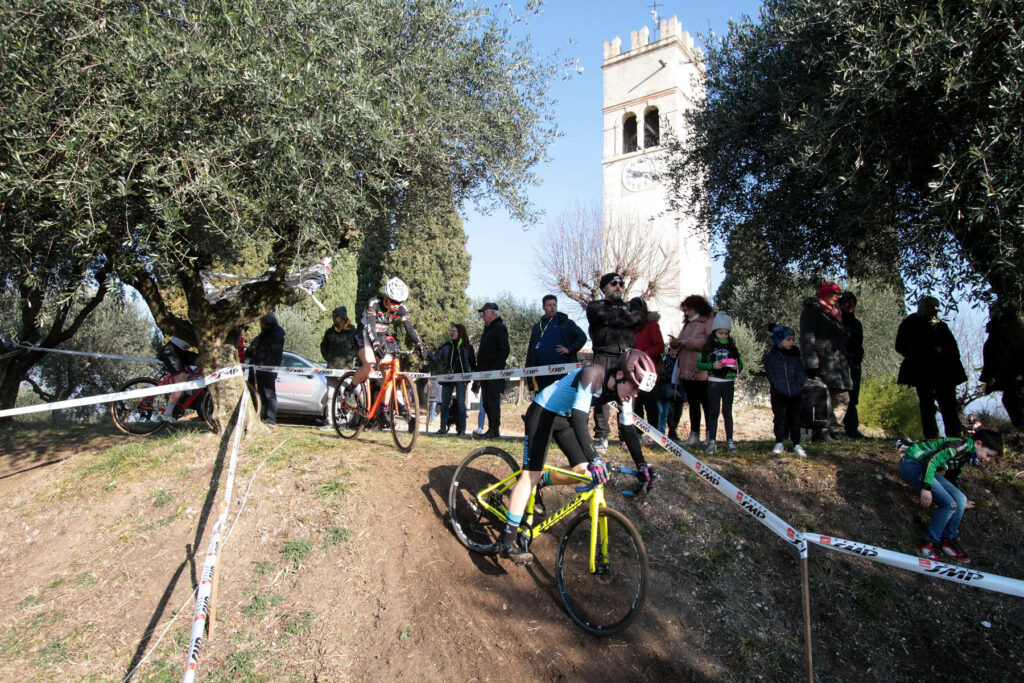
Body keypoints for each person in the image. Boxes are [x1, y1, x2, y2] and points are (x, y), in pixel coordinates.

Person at [497, 349, 659, 564]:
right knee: (529, 476)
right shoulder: (592, 374)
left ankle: (543, 483)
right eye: (635, 387)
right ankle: (507, 540)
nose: (636, 394)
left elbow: (628, 431)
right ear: (621, 375)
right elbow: (580, 420)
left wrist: (642, 466)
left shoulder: (624, 393)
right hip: (544, 412)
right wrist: (596, 459)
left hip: (564, 418)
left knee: (583, 472)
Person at [897, 429, 1003, 563]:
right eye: (988, 455)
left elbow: (952, 477)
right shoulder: (957, 447)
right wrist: (927, 488)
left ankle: (947, 540)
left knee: (961, 499)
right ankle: (927, 543)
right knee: (949, 505)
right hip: (911, 465)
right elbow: (932, 461)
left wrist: (960, 501)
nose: (987, 460)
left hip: (924, 467)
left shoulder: (966, 453)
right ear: (978, 444)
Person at [342, 277, 427, 408]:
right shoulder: (374, 303)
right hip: (364, 334)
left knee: (388, 371)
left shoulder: (401, 309)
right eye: (393, 301)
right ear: (386, 296)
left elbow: (409, 328)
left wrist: (419, 344)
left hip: (381, 336)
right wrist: (375, 344)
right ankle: (349, 389)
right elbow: (370, 326)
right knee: (370, 364)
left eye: (400, 302)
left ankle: (384, 409)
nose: (396, 305)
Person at [585, 273, 645, 454]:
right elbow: (600, 314)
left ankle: (626, 437)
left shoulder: (631, 305)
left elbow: (638, 319)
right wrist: (625, 318)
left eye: (621, 283)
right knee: (601, 399)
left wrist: (612, 319)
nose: (619, 286)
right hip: (603, 356)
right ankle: (602, 437)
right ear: (604, 287)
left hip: (626, 357)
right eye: (614, 283)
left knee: (627, 397)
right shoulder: (595, 306)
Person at [895, 296, 966, 439]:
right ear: (923, 307)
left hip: (943, 372)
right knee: (927, 404)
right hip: (922, 371)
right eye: (931, 307)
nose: (934, 310)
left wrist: (944, 353)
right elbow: (900, 345)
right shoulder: (910, 323)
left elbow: (953, 349)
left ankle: (954, 435)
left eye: (936, 307)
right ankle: (931, 436)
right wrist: (917, 353)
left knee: (948, 404)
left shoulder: (941, 326)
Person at [799, 282, 852, 440]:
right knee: (821, 398)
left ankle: (837, 430)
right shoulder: (811, 311)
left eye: (838, 294)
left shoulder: (838, 313)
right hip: (822, 363)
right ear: (824, 294)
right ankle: (821, 431)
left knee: (842, 397)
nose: (837, 297)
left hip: (839, 364)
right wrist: (811, 363)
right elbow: (807, 339)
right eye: (834, 294)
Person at [667, 294, 714, 445]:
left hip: (702, 371)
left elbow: (709, 342)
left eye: (688, 310)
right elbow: (681, 341)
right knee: (693, 404)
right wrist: (675, 343)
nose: (686, 313)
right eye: (685, 310)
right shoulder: (687, 324)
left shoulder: (708, 321)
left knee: (707, 404)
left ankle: (710, 435)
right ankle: (694, 435)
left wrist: (687, 342)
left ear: (697, 308)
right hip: (686, 371)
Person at [696, 312, 742, 453]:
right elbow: (699, 364)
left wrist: (736, 367)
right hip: (713, 382)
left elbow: (740, 364)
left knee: (727, 412)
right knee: (713, 412)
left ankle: (730, 440)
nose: (723, 336)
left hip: (728, 382)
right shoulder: (708, 347)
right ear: (715, 332)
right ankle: (712, 441)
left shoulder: (732, 347)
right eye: (720, 333)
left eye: (726, 333)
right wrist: (712, 365)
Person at [524, 295, 587, 393]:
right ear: (543, 307)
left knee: (559, 398)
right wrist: (528, 370)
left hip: (561, 371)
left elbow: (582, 337)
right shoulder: (537, 327)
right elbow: (531, 350)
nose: (552, 307)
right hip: (541, 373)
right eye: (549, 305)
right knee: (542, 399)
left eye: (554, 305)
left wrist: (569, 349)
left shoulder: (566, 323)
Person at [764, 325, 807, 457]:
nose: (791, 342)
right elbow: (770, 373)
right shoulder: (770, 356)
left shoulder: (795, 355)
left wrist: (800, 384)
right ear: (779, 340)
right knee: (779, 418)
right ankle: (779, 441)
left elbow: (800, 371)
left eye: (793, 340)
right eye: (788, 340)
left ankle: (796, 443)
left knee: (795, 418)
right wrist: (777, 385)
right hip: (779, 394)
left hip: (795, 393)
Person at [980, 306, 1024, 429]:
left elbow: (1000, 352)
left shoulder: (1004, 330)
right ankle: (1020, 427)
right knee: (1011, 399)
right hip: (1010, 371)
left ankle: (1021, 427)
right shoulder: (999, 330)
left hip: (1013, 371)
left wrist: (992, 374)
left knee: (1012, 399)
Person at [429, 323, 476, 436]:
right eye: (451, 331)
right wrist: (426, 352)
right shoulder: (446, 346)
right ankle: (442, 428)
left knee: (460, 403)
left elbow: (473, 364)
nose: (451, 333)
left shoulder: (467, 347)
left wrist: (476, 381)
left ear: (460, 333)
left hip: (462, 378)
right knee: (444, 403)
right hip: (448, 377)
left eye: (454, 331)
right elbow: (435, 358)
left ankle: (462, 430)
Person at [473, 303, 509, 439]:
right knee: (487, 402)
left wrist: (495, 368)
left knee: (492, 402)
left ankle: (494, 430)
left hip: (493, 373)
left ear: (493, 313)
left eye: (485, 312)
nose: (482, 315)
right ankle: (491, 429)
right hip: (484, 373)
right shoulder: (488, 329)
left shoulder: (499, 327)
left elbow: (505, 350)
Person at [319, 306, 357, 429]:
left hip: (346, 370)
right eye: (333, 316)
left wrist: (350, 357)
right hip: (331, 369)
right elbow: (323, 346)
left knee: (346, 396)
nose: (333, 318)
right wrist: (328, 357)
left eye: (335, 316)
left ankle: (345, 422)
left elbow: (357, 347)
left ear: (341, 317)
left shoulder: (352, 331)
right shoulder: (329, 332)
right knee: (331, 396)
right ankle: (331, 422)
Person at [246, 312, 286, 425]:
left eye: (261, 322)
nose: (260, 325)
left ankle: (270, 419)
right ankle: (261, 416)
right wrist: (250, 350)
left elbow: (274, 353)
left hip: (268, 369)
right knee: (259, 394)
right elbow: (252, 349)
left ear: (267, 323)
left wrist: (263, 361)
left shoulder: (276, 335)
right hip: (257, 368)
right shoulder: (263, 334)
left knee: (269, 394)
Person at [632, 301, 666, 432]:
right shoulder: (630, 326)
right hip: (632, 369)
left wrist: (643, 355)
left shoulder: (651, 325)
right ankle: (638, 432)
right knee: (636, 403)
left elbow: (660, 345)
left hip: (647, 369)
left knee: (650, 402)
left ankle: (653, 433)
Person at [838, 292, 865, 438]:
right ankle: (838, 429)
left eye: (853, 303)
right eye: (847, 303)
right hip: (840, 365)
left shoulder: (856, 324)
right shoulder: (836, 322)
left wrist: (857, 360)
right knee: (840, 397)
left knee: (853, 398)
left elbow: (858, 344)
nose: (850, 306)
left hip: (854, 365)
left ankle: (852, 430)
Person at [158, 336, 201, 424]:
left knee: (203, 362)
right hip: (171, 351)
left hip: (182, 352)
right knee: (181, 380)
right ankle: (167, 414)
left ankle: (187, 386)